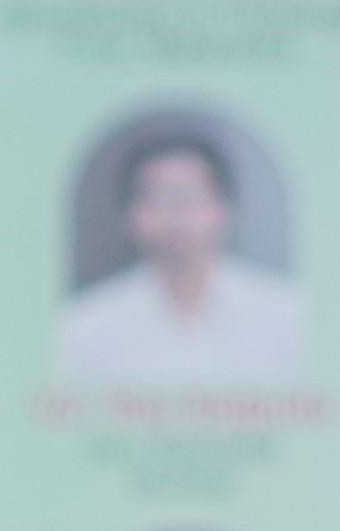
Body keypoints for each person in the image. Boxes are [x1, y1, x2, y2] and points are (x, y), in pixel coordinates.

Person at [55, 129, 306, 385]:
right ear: (131, 216)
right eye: (158, 200)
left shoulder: (288, 317)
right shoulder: (84, 327)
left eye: (188, 198)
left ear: (225, 209)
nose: (175, 216)